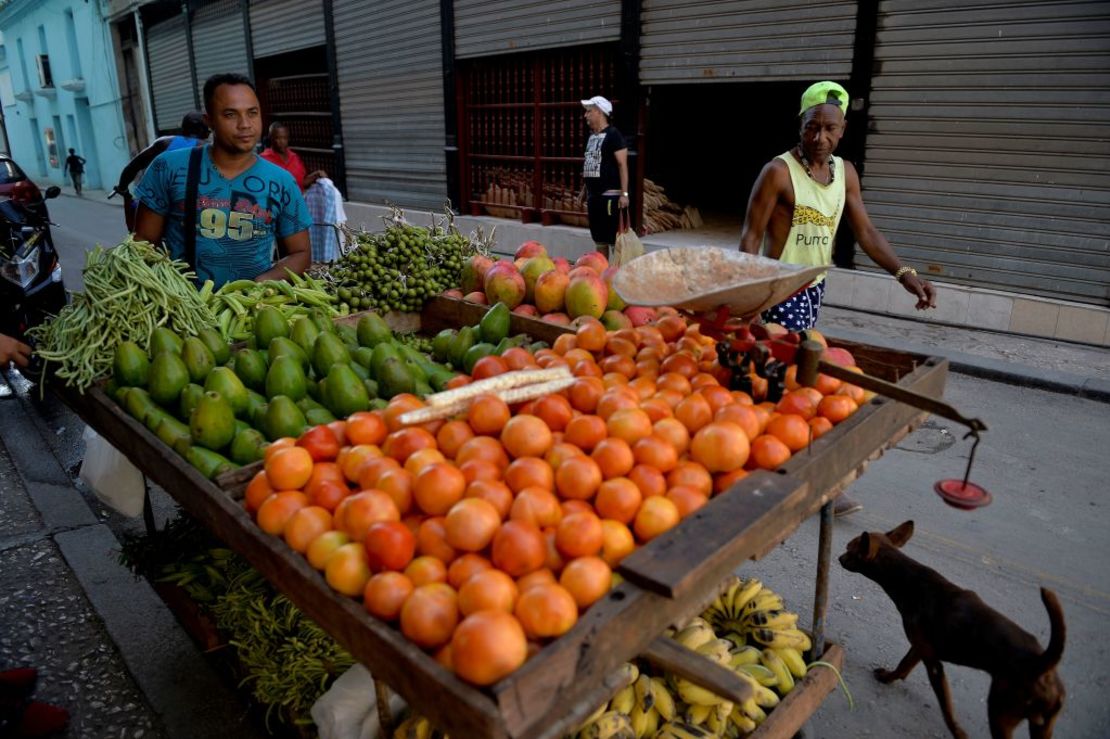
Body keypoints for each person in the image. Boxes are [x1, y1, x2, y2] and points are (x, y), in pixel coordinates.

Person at [739, 80, 937, 516]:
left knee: (779, 383)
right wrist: (747, 299)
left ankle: (766, 464)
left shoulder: (844, 173)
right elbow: (750, 237)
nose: (820, 138)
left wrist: (904, 274)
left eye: (830, 129)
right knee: (798, 386)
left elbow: (864, 231)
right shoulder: (777, 172)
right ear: (801, 124)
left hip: (813, 290)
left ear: (843, 130)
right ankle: (817, 484)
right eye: (812, 128)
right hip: (778, 291)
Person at [133, 73, 311, 289]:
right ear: (209, 121)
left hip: (251, 311)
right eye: (230, 115)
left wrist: (260, 284)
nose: (245, 124)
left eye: (252, 113)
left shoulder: (282, 181)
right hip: (182, 309)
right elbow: (142, 243)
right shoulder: (169, 167)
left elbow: (300, 253)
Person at [261, 122, 345, 262]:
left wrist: (315, 176)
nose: (282, 141)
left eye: (284, 138)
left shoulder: (294, 157)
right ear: (271, 138)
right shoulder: (264, 160)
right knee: (285, 253)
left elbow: (301, 183)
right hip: (278, 214)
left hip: (298, 212)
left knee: (300, 250)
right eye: (277, 138)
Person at [114, 112, 211, 231]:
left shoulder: (164, 143)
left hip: (161, 204)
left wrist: (122, 188)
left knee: (139, 236)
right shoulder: (211, 149)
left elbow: (133, 167)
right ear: (205, 131)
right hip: (200, 208)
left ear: (183, 129)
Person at [575, 95, 629, 261]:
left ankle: (616, 276)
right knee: (599, 240)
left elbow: (622, 165)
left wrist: (624, 194)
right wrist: (584, 191)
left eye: (589, 112)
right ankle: (601, 275)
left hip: (610, 197)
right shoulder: (591, 137)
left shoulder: (614, 135)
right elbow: (591, 164)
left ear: (599, 112)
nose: (586, 116)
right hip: (594, 197)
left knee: (614, 240)